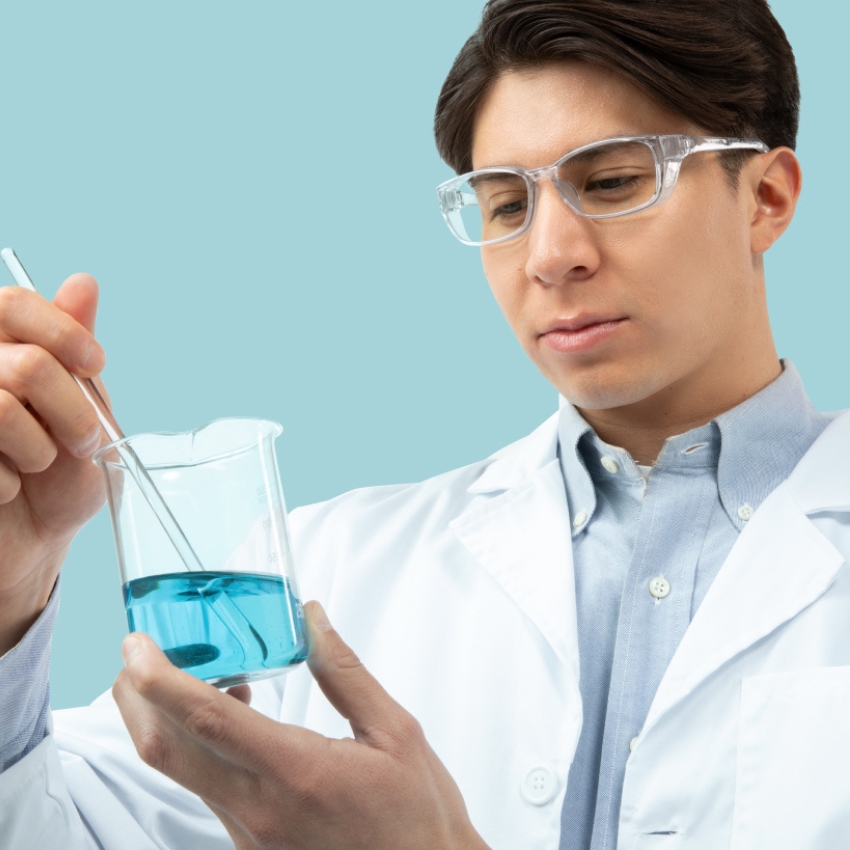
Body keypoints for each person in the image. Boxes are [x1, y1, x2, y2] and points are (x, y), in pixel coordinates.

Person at [0, 0, 846, 847]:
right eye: (507, 205)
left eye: (614, 181)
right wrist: (11, 591)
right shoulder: (324, 569)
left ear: (765, 198)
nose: (551, 255)